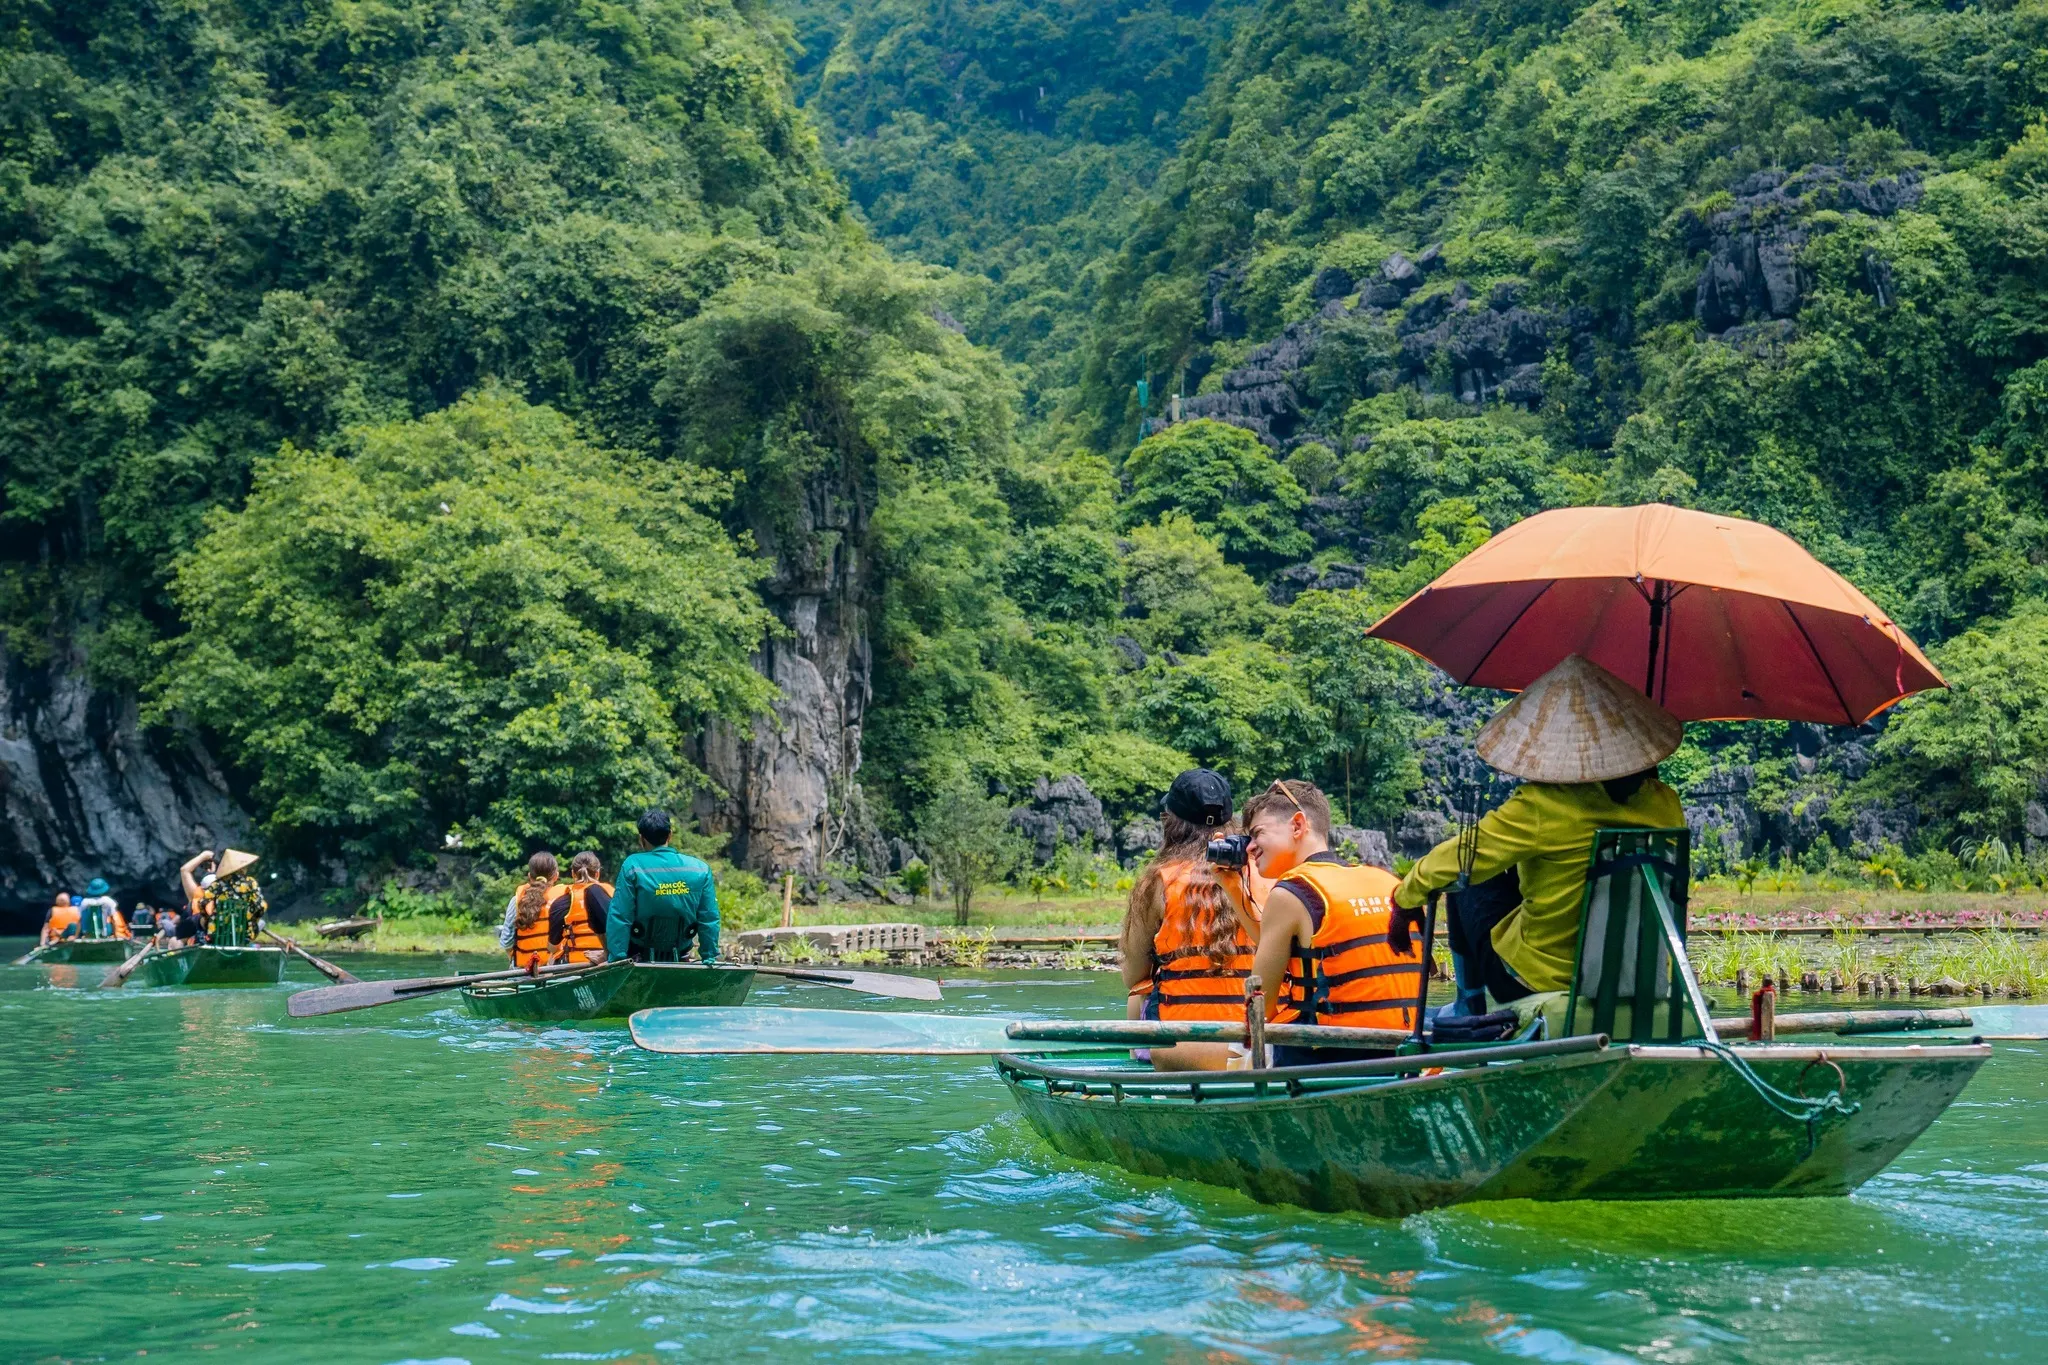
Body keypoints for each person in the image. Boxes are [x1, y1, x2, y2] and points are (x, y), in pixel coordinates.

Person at [1392, 654, 1685, 1010]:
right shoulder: (1666, 803)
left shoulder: (1544, 806)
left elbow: (1460, 856)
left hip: (1537, 981)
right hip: (1643, 978)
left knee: (1469, 877)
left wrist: (1403, 899)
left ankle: (1468, 1004)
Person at [1242, 779, 1422, 1067]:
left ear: (1298, 826)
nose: (1249, 848)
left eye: (1256, 834)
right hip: (1405, 1053)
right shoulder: (1387, 880)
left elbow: (1260, 1002)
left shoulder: (1290, 892)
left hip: (1327, 1058)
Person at [1118, 768, 1252, 1072]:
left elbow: (1132, 974)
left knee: (1137, 989)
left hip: (1176, 1043)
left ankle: (1141, 1075)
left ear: (1171, 821)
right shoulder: (1258, 876)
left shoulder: (1158, 881)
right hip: (1254, 1038)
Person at [608, 809, 719, 963]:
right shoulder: (700, 869)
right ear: (670, 835)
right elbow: (709, 918)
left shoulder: (632, 866)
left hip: (639, 951)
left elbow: (620, 915)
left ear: (641, 838)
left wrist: (617, 958)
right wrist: (709, 956)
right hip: (681, 951)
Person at [550, 852, 612, 965]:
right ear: (597, 873)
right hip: (611, 961)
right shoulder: (612, 895)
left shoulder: (561, 902)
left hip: (576, 964)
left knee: (552, 957)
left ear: (573, 874)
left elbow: (552, 947)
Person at [503, 852, 560, 970]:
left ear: (530, 876)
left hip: (520, 973)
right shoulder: (562, 900)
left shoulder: (516, 901)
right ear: (556, 876)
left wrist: (513, 960)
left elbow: (506, 941)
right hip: (555, 971)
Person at [206, 850, 268, 946]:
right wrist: (252, 920)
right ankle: (244, 944)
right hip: (244, 932)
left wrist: (208, 919)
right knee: (260, 920)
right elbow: (260, 906)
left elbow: (203, 903)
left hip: (217, 932)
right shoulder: (251, 883)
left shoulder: (216, 884)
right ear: (241, 868)